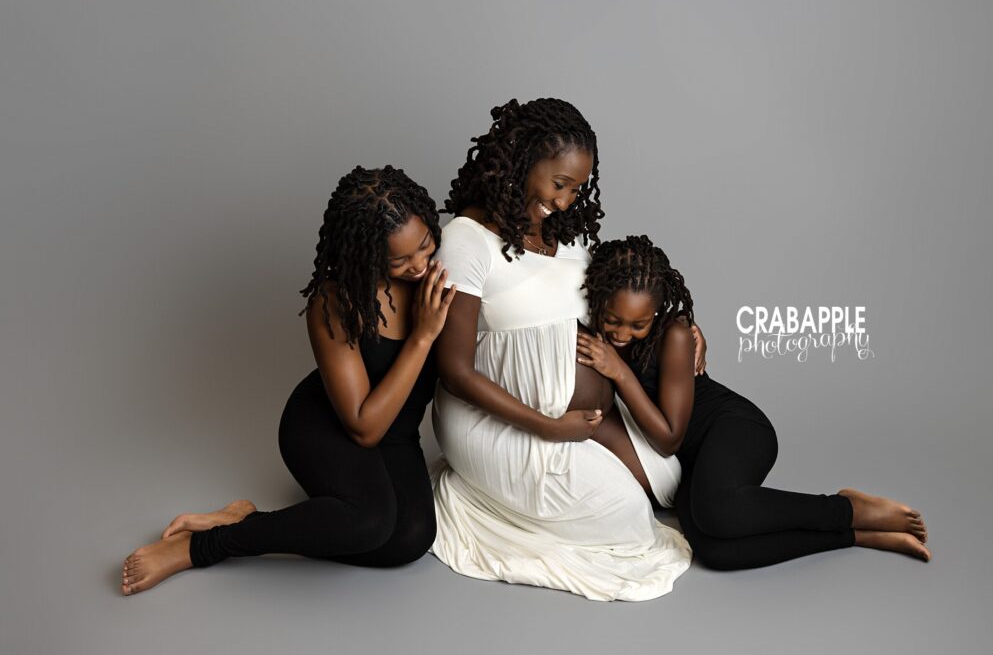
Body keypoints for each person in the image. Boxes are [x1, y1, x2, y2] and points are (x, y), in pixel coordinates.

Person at [121, 166, 455, 595]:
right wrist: (424, 335)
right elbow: (364, 426)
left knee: (408, 540)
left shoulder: (441, 275)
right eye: (399, 260)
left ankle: (244, 519)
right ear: (368, 255)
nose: (419, 265)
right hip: (328, 426)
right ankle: (204, 546)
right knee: (369, 522)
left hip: (396, 434)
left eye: (426, 246)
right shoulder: (336, 301)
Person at [429, 98, 705, 602]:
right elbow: (453, 371)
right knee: (629, 519)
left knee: (664, 480)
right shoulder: (467, 241)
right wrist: (549, 427)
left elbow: (630, 285)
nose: (565, 200)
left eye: (578, 188)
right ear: (520, 159)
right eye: (559, 184)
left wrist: (680, 322)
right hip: (504, 421)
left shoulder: (571, 236)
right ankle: (478, 489)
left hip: (584, 415)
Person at [575, 235, 931, 570]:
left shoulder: (675, 335)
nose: (622, 334)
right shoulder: (596, 335)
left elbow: (669, 438)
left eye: (638, 324)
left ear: (655, 312)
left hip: (734, 428)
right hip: (692, 463)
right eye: (612, 321)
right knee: (714, 552)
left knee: (719, 513)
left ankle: (848, 509)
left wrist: (619, 372)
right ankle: (856, 536)